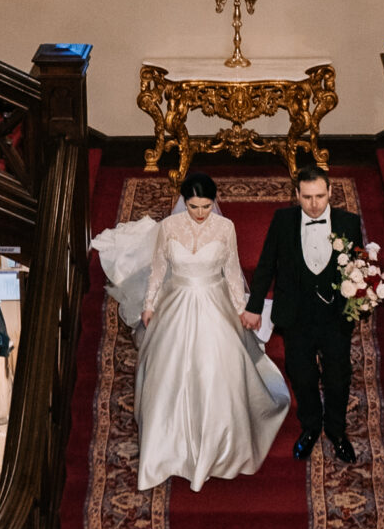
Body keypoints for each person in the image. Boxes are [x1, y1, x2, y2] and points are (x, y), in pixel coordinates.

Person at [97, 173, 289, 491]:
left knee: (218, 371)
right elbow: (159, 269)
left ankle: (222, 449)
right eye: (193, 206)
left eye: (206, 206)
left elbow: (231, 269)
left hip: (216, 302)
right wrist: (148, 304)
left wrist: (241, 308)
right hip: (176, 301)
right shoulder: (170, 228)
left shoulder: (225, 228)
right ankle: (168, 450)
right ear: (183, 202)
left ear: (214, 202)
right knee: (168, 372)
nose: (200, 213)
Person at [242, 164, 362, 463]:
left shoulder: (349, 222)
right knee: (302, 376)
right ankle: (310, 426)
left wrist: (358, 306)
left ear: (330, 192)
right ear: (296, 194)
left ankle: (336, 431)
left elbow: (360, 269)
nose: (314, 204)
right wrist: (254, 307)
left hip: (335, 317)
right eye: (307, 197)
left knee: (337, 378)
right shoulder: (282, 220)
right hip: (296, 316)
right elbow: (267, 263)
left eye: (320, 196)